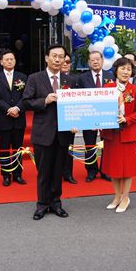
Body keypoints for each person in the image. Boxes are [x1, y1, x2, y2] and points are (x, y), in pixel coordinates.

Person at [23, 44, 75, 220]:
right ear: (46, 58)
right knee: (44, 171)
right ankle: (42, 204)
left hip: (63, 133)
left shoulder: (70, 80)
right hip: (43, 132)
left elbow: (77, 105)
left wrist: (76, 121)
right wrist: (44, 100)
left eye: (61, 56)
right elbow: (26, 102)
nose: (58, 59)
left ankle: (56, 203)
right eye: (54, 56)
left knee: (58, 171)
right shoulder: (35, 78)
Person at [101, 57, 136, 213]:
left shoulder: (135, 90)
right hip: (111, 134)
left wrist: (127, 118)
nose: (126, 72)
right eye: (123, 68)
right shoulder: (108, 87)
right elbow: (100, 109)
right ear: (116, 70)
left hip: (127, 133)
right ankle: (117, 196)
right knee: (114, 167)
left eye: (129, 69)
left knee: (127, 168)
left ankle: (125, 197)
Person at [0, 49, 28, 186]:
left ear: (15, 61)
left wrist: (17, 108)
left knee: (18, 148)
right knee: (5, 148)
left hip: (19, 117)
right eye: (7, 59)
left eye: (12, 59)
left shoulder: (23, 77)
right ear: (1, 62)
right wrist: (8, 109)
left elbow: (26, 96)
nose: (9, 61)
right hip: (4, 118)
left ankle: (18, 174)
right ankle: (6, 175)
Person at [77, 50, 113, 182]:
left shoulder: (111, 76)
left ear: (102, 61)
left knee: (107, 144)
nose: (96, 62)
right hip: (89, 117)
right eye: (93, 60)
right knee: (90, 144)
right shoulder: (82, 78)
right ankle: (91, 170)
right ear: (88, 63)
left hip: (106, 116)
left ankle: (105, 170)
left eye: (98, 59)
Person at [60, 53, 78, 184]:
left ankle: (68, 174)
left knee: (69, 148)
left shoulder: (74, 80)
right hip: (53, 120)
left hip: (70, 119)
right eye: (63, 61)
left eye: (68, 61)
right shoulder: (51, 79)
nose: (65, 63)